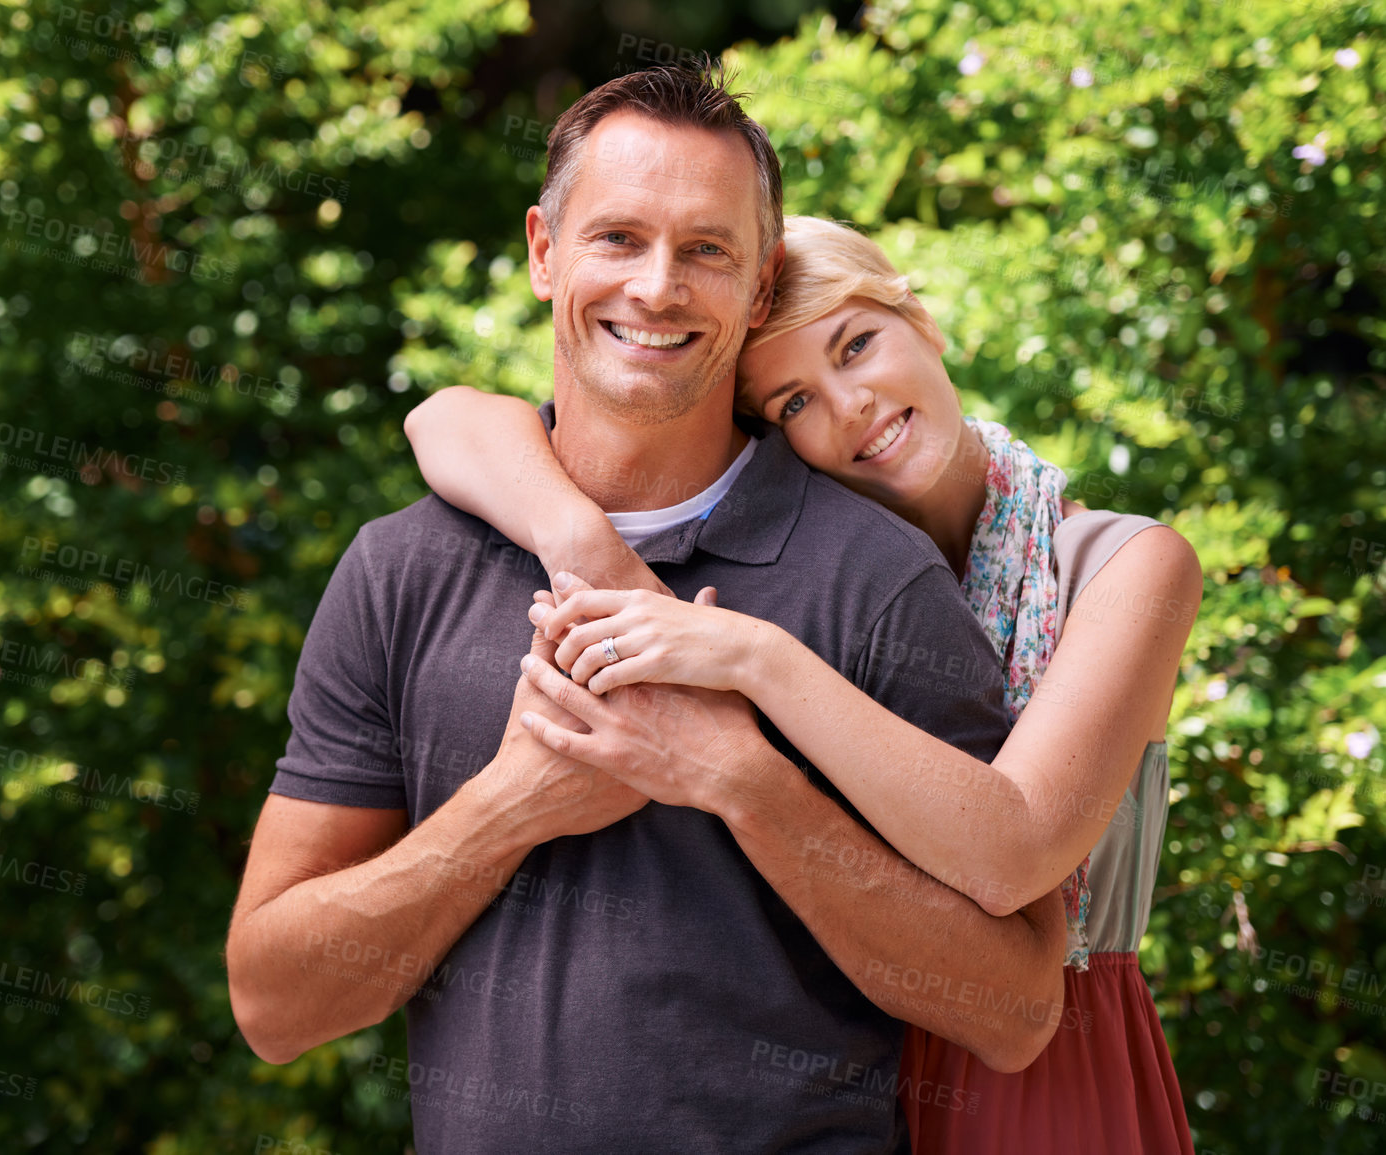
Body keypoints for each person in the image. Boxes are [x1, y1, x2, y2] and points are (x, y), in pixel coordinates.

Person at [227, 62, 1075, 1154]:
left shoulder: (876, 577)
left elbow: (1015, 1012)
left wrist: (741, 781)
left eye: (707, 250)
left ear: (760, 289)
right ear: (544, 252)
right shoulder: (405, 568)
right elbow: (275, 1004)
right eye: (618, 238)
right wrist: (518, 804)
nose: (658, 286)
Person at [403, 213, 1203, 1153]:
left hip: (1048, 1071)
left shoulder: (1122, 567)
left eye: (856, 346)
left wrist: (758, 659)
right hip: (845, 1057)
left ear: (923, 320)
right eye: (791, 403)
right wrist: (583, 543)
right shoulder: (832, 579)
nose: (847, 406)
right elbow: (442, 418)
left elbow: (1014, 849)